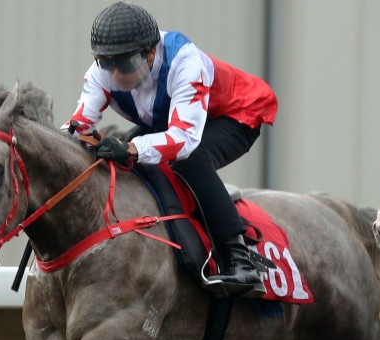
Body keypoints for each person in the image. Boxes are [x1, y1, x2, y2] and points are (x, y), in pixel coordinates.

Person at [62, 1, 278, 297]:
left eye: (126, 66)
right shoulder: (103, 71)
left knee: (189, 160)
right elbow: (79, 126)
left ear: (151, 53)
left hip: (237, 114)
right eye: (108, 65)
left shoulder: (185, 64)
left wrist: (130, 148)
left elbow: (183, 139)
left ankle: (239, 257)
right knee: (126, 158)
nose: (118, 76)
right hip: (175, 119)